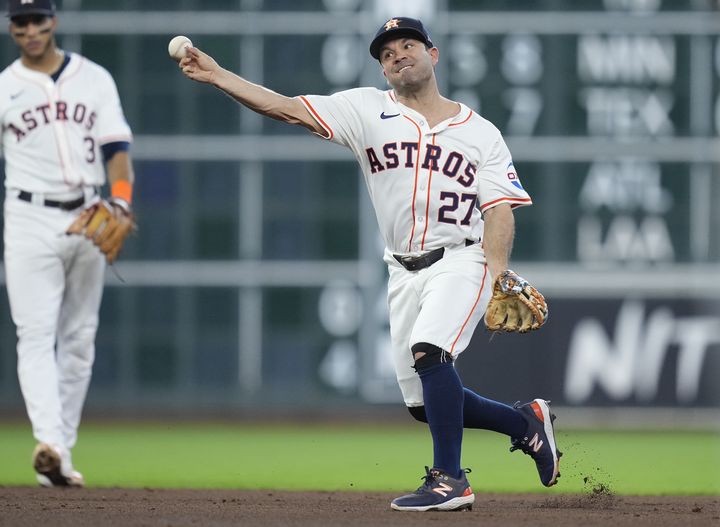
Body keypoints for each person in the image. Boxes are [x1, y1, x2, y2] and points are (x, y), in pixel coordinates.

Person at [177, 16, 560, 511]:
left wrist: (498, 272)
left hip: (463, 258)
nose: (398, 54)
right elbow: (288, 109)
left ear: (433, 54)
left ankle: (451, 480)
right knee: (424, 406)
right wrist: (219, 75)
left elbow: (499, 210)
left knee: (431, 350)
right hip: (402, 269)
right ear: (382, 70)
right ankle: (525, 422)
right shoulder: (364, 110)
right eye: (386, 53)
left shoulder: (481, 133)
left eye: (408, 45)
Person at [1, 0, 135, 487]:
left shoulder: (93, 78)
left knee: (79, 338)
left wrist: (120, 202)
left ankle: (60, 453)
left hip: (88, 212)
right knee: (34, 334)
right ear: (12, 29)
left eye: (38, 20)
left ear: (53, 21)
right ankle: (49, 444)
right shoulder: (5, 88)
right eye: (21, 23)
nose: (31, 30)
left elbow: (117, 150)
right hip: (27, 216)